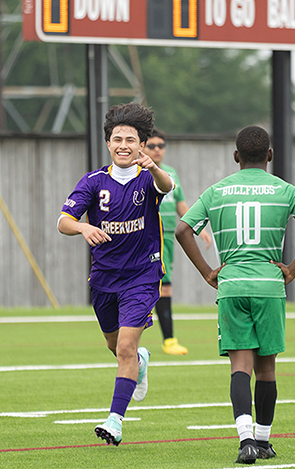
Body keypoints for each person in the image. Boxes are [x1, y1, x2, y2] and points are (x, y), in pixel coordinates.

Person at [175, 126, 295, 464]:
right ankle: (264, 440)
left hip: (231, 286)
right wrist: (293, 269)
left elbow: (183, 229)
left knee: (239, 366)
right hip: (270, 286)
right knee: (266, 368)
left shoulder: (216, 191)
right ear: (269, 155)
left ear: (236, 157)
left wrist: (207, 271)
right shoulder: (286, 191)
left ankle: (245, 442)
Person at [58, 102, 174, 447]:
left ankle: (115, 420)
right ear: (108, 144)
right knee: (115, 345)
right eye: (117, 139)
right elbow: (62, 221)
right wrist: (82, 228)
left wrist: (154, 169)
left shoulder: (148, 177)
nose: (123, 145)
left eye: (131, 140)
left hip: (142, 273)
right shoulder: (93, 181)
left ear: (142, 145)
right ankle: (140, 362)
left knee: (124, 345)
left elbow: (167, 187)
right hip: (105, 277)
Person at [142, 129, 212, 355]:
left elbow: (181, 203)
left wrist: (198, 227)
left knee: (163, 285)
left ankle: (167, 339)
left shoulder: (170, 173)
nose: (157, 150)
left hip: (168, 238)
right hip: (147, 236)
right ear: (142, 147)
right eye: (152, 145)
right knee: (160, 285)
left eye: (161, 145)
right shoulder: (139, 171)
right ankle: (168, 339)